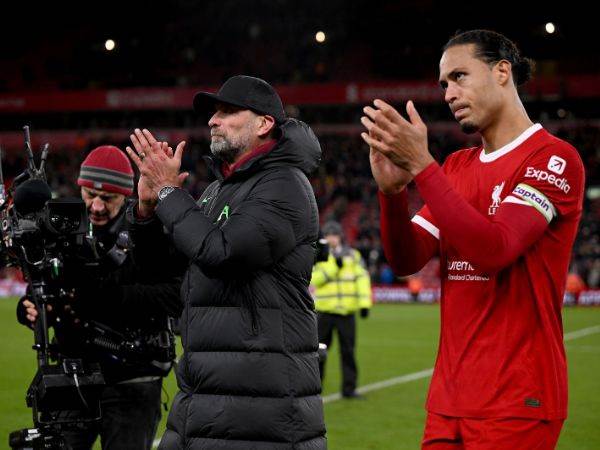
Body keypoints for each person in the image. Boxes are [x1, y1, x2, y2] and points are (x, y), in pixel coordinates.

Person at [360, 30, 584, 449]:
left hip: (518, 400)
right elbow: (407, 259)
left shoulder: (553, 158)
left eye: (460, 76)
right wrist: (392, 195)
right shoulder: (457, 168)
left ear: (502, 72)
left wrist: (424, 168)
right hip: (448, 400)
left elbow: (495, 250)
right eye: (444, 84)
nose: (448, 93)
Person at [125, 75, 326, 449]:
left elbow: (222, 252)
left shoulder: (285, 184)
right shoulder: (220, 189)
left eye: (227, 111)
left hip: (258, 410)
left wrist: (170, 192)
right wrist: (147, 212)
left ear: (264, 124)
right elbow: (169, 271)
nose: (213, 120)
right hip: (203, 398)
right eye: (213, 113)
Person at [18, 145, 183, 450]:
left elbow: (177, 296)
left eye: (107, 198)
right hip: (72, 375)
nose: (95, 207)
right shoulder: (62, 225)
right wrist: (30, 307)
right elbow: (44, 287)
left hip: (132, 379)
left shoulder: (148, 229)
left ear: (126, 195)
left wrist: (110, 298)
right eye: (89, 195)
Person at [310, 220, 372, 399]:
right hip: (324, 312)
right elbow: (313, 279)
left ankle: (349, 389)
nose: (332, 238)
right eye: (328, 235)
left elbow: (362, 279)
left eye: (334, 235)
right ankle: (314, 387)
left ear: (340, 237)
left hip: (346, 313)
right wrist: (333, 267)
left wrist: (365, 304)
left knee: (348, 352)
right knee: (318, 352)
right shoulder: (318, 256)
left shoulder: (353, 255)